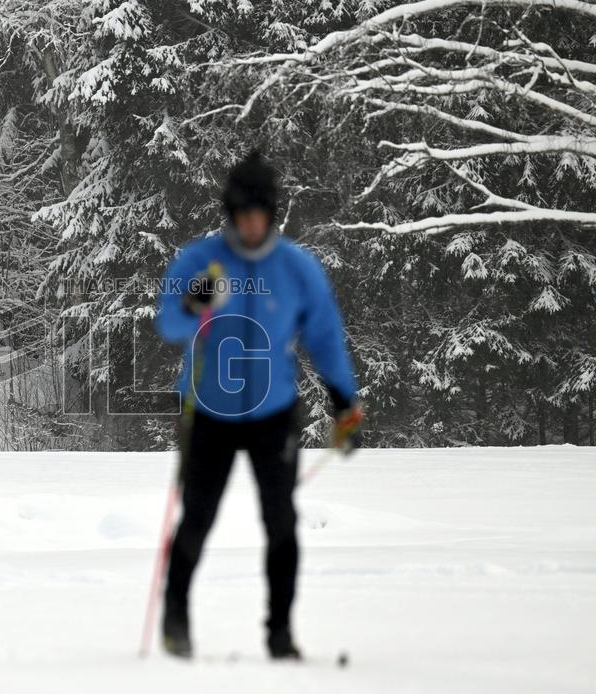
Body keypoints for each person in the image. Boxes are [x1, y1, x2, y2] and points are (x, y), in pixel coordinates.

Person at [154, 150, 363, 660]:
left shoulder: (296, 267)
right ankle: (175, 621)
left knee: (280, 521)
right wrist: (190, 302)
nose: (250, 224)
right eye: (241, 214)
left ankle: (280, 632)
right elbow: (170, 326)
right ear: (229, 214)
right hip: (209, 412)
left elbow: (325, 337)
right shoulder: (199, 260)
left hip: (274, 414)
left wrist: (344, 402)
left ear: (272, 214)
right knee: (197, 517)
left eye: (259, 214)